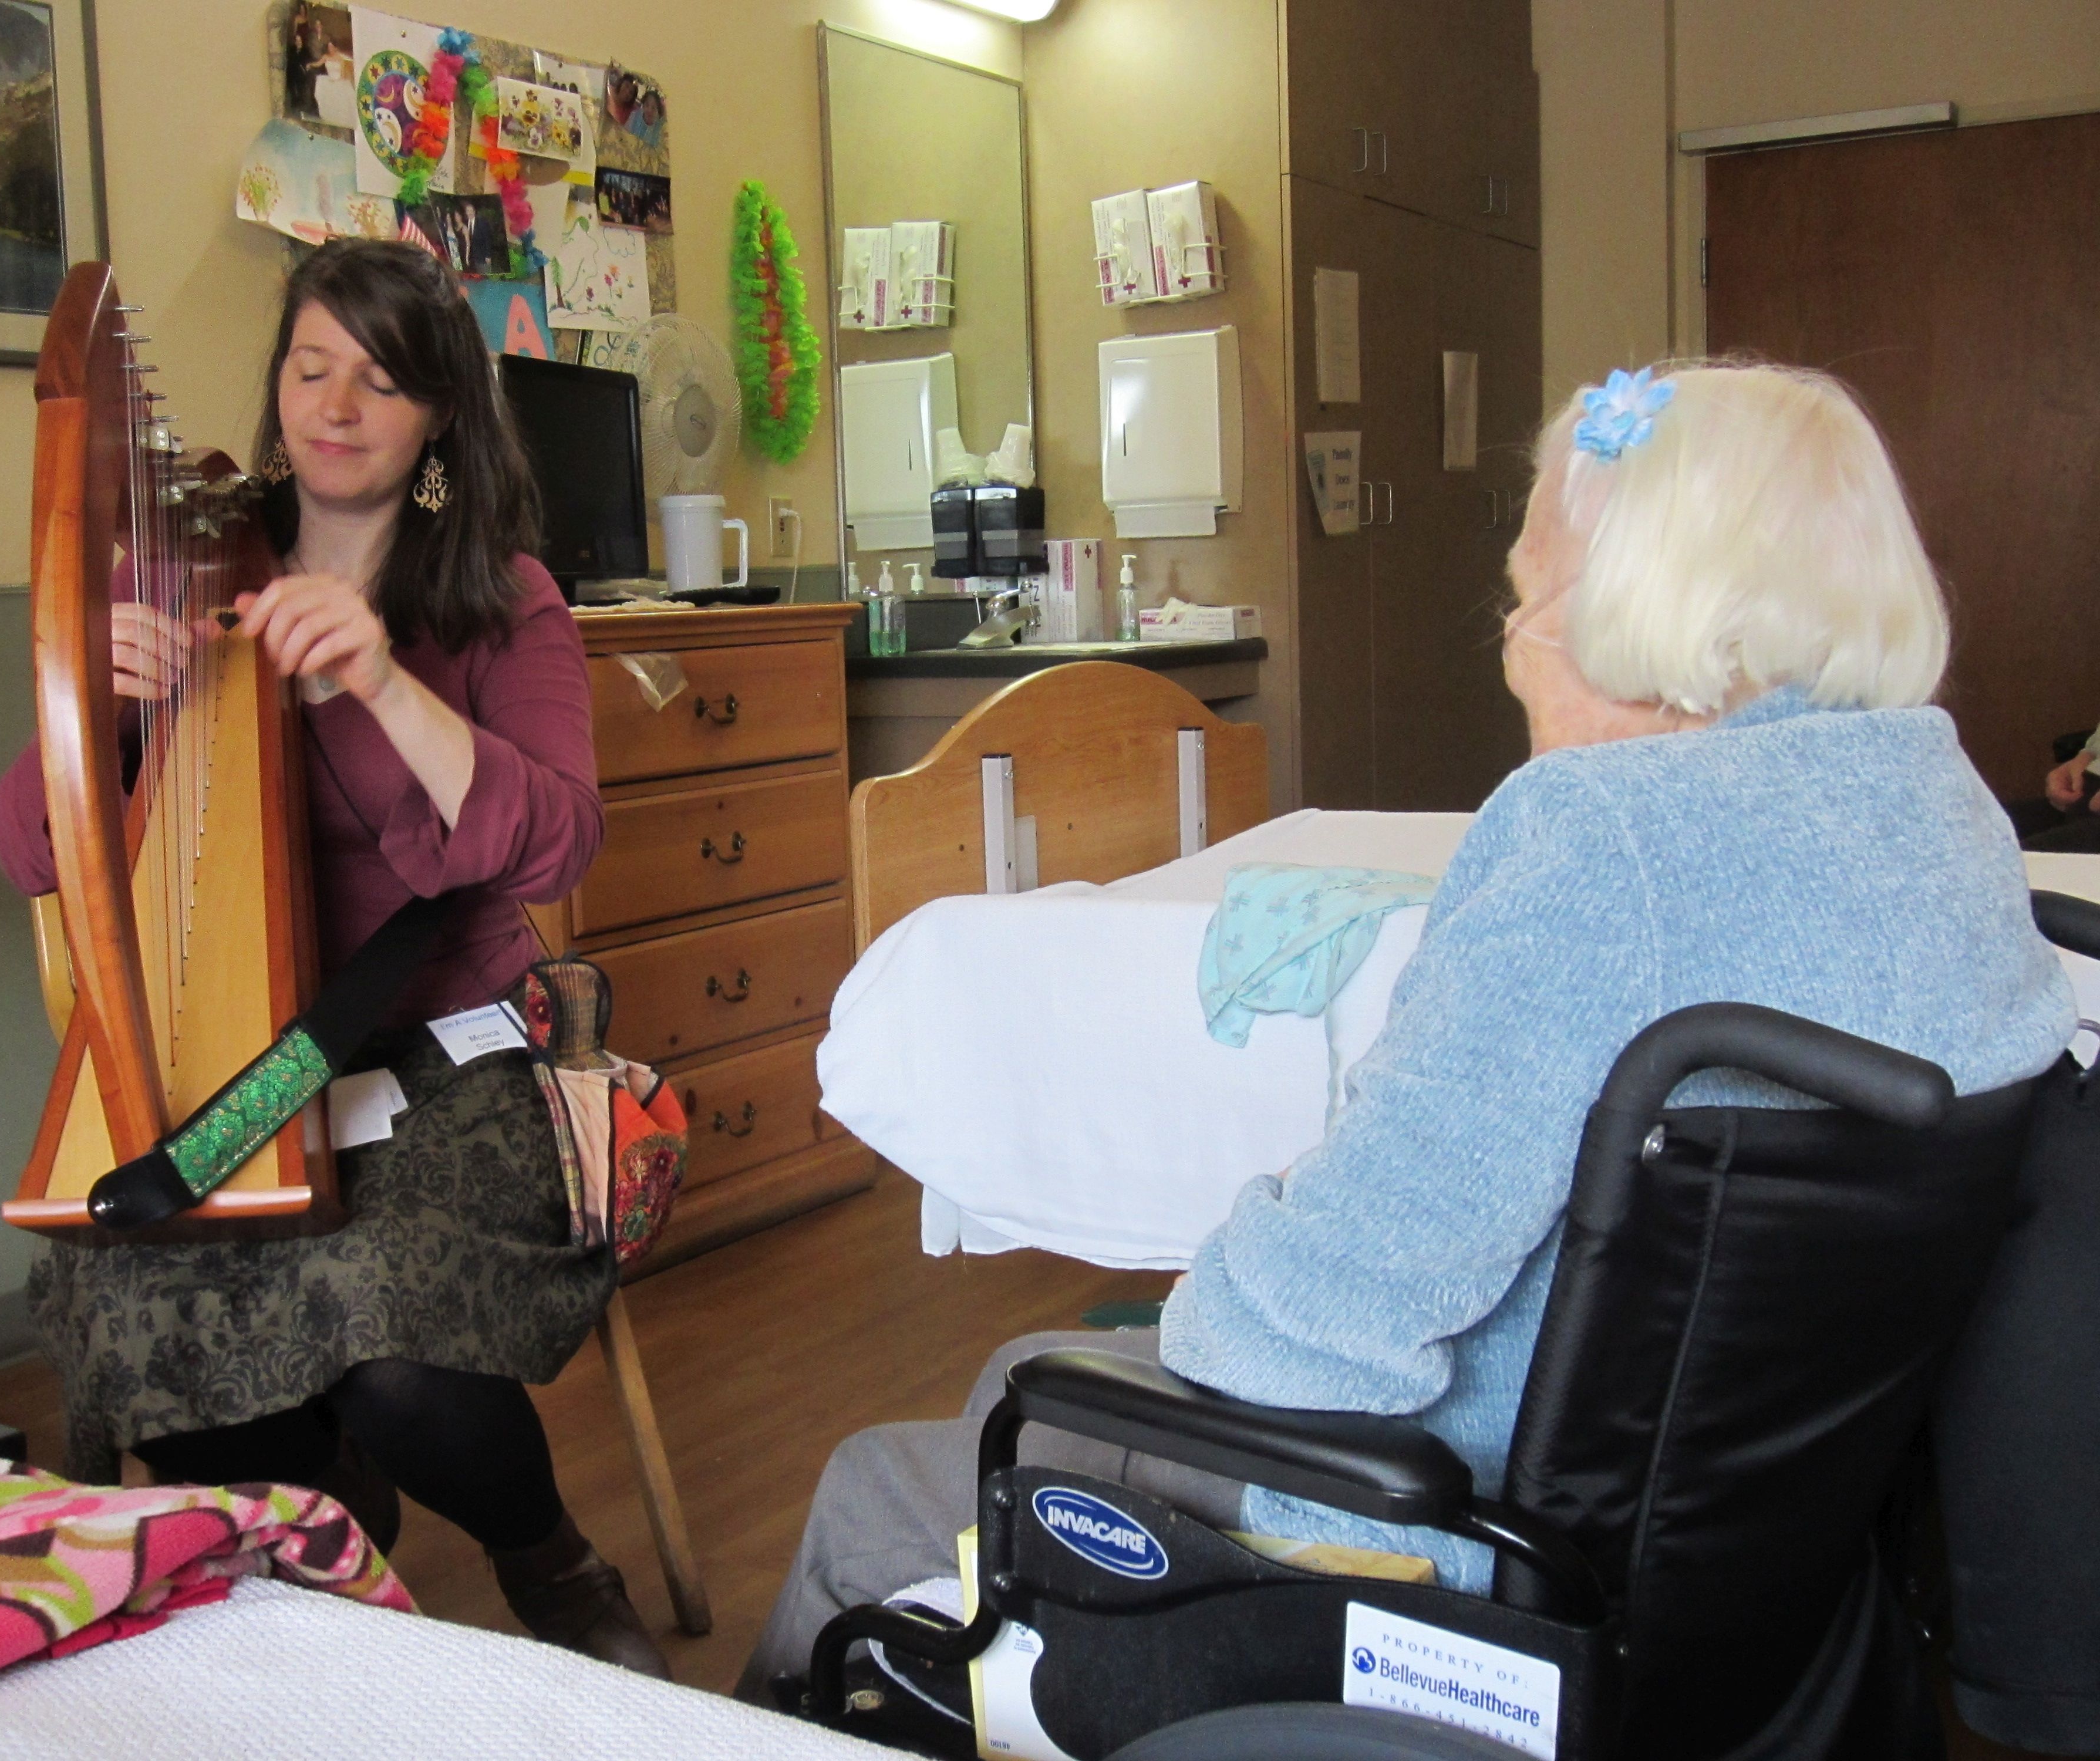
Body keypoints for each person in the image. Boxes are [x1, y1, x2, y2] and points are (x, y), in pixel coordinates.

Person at [737, 360, 2077, 1699]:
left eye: (1522, 599)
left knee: (899, 1470)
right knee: (1028, 1369)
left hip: (1462, 1554)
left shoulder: (1598, 839)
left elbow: (1312, 1332)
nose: (1508, 647)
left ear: (1635, 613)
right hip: (1752, 1576)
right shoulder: (1942, 808)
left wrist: (1201, 1298)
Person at [0, 240, 668, 1678]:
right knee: (137, 1287)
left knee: (388, 1333)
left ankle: (545, 1555)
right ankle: (316, 1535)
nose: (336, 405)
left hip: (450, 1048)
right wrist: (88, 712)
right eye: (310, 367)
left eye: (381, 379)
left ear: (437, 422)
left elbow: (553, 849)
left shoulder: (501, 600)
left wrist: (377, 677)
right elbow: (32, 852)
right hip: (238, 1056)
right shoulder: (188, 573)